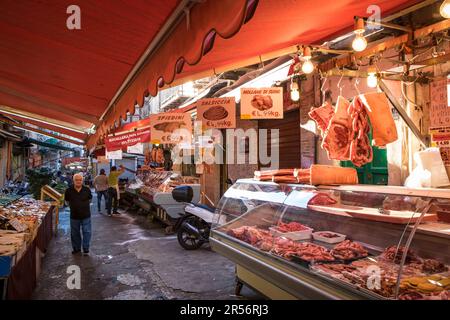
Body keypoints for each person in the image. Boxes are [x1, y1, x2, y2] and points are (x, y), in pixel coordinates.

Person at [64, 173, 92, 255]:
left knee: (87, 232)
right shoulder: (68, 190)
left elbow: (90, 200)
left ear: (82, 180)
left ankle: (86, 248)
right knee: (75, 233)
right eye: (76, 180)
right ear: (73, 181)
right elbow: (67, 202)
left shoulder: (87, 190)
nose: (78, 181)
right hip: (74, 216)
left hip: (86, 215)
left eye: (80, 180)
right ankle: (76, 248)